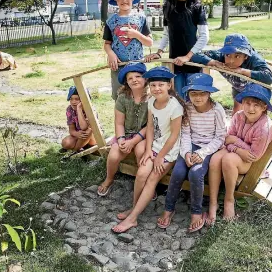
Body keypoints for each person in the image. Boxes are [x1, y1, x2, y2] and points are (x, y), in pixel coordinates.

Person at [112, 66, 184, 233]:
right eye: (153, 85)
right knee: (142, 173)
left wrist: (160, 157)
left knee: (152, 179)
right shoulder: (151, 101)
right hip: (155, 145)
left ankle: (133, 218)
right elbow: (150, 127)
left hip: (169, 150)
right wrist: (148, 150)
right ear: (149, 87)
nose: (156, 88)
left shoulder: (175, 107)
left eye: (160, 85)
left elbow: (174, 136)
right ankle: (134, 207)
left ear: (169, 86)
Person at [157, 73, 226, 233]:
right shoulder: (187, 108)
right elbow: (185, 133)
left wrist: (202, 153)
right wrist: (187, 152)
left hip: (208, 148)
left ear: (209, 94)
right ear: (188, 94)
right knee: (179, 171)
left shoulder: (217, 110)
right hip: (190, 145)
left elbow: (220, 137)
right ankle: (169, 208)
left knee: (195, 173)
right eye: (193, 93)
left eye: (203, 93)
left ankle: (196, 212)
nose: (198, 97)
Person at [205, 83, 272, 225]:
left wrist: (236, 144)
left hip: (250, 161)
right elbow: (227, 138)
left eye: (256, 105)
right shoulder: (238, 116)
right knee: (216, 159)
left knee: (228, 160)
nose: (251, 108)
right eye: (247, 103)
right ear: (242, 103)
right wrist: (235, 145)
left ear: (264, 107)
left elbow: (254, 155)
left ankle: (229, 199)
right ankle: (213, 202)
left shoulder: (263, 128)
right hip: (236, 150)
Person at [146, 0, 209, 100]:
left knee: (195, 98)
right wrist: (159, 52)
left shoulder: (197, 7)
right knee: (179, 98)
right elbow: (166, 34)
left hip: (193, 62)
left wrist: (188, 56)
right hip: (175, 62)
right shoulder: (167, 7)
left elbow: (204, 36)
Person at [97, 62, 149, 197]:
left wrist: (134, 142)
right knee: (113, 155)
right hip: (126, 133)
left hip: (145, 135)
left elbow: (150, 125)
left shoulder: (151, 98)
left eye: (138, 76)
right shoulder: (122, 98)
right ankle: (109, 179)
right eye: (130, 78)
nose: (134, 80)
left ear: (146, 78)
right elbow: (119, 123)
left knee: (140, 151)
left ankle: (145, 183)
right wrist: (121, 139)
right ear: (126, 82)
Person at [195, 33, 272, 114]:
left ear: (246, 56)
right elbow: (194, 54)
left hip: (255, 91)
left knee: (253, 115)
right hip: (238, 86)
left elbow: (268, 77)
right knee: (236, 112)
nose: (231, 60)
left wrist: (242, 71)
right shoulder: (219, 57)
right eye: (228, 55)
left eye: (237, 56)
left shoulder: (255, 59)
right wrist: (214, 62)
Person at [103, 0, 153, 100]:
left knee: (141, 96)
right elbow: (107, 44)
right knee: (120, 96)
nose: (124, 0)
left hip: (137, 66)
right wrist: (110, 54)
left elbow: (149, 42)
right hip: (118, 66)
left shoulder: (141, 18)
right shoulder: (111, 21)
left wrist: (137, 35)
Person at [61, 86, 97, 153]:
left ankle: (74, 151)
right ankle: (79, 148)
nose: (73, 102)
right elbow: (71, 130)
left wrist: (79, 109)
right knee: (65, 143)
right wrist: (76, 134)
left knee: (88, 131)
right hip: (79, 136)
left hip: (92, 138)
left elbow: (84, 127)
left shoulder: (90, 110)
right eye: (71, 99)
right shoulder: (70, 109)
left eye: (77, 99)